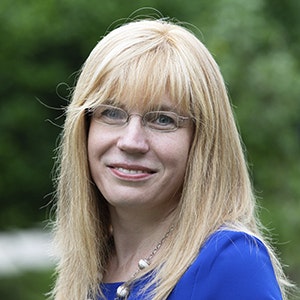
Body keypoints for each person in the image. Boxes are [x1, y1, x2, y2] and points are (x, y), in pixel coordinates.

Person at [50, 18, 292, 300]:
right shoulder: (91, 268)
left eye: (163, 119)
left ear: (202, 141)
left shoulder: (229, 262)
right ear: (84, 128)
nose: (131, 142)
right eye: (112, 113)